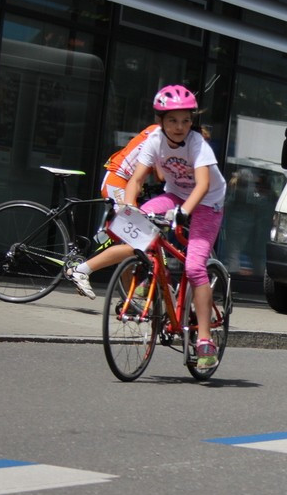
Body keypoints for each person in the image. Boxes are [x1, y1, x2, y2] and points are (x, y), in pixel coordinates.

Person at [66, 84, 227, 371]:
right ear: (161, 121)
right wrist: (131, 209)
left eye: (186, 120)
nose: (180, 127)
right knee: (138, 231)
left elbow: (202, 184)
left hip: (207, 204)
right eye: (173, 121)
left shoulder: (197, 145)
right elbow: (136, 180)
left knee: (194, 267)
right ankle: (146, 280)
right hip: (175, 195)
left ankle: (205, 339)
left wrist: (184, 213)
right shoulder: (154, 139)